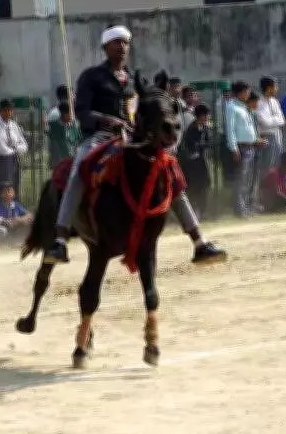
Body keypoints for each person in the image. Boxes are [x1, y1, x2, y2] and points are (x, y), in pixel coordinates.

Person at [44, 25, 225, 265]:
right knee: (79, 169)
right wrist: (108, 119)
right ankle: (60, 240)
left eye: (125, 43)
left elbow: (149, 106)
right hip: (99, 138)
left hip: (133, 139)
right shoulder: (91, 76)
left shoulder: (135, 80)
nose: (121, 47)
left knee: (170, 172)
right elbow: (82, 112)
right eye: (116, 43)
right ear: (105, 47)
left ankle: (199, 241)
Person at [225, 82, 266, 218]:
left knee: (247, 180)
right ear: (241, 93)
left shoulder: (244, 107)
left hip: (250, 147)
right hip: (241, 148)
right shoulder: (231, 106)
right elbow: (230, 130)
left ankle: (246, 207)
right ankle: (239, 210)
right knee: (240, 180)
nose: (248, 95)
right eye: (247, 92)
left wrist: (256, 140)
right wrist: (233, 148)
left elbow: (249, 129)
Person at [179, 103, 213, 219]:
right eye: (207, 115)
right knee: (194, 187)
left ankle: (203, 211)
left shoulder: (205, 128)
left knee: (206, 185)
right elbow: (190, 147)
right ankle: (194, 212)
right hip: (192, 164)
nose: (208, 117)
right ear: (201, 116)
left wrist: (202, 145)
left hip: (202, 161)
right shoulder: (191, 129)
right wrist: (201, 145)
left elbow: (208, 143)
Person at [0, 99, 28, 201]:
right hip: (1, 160)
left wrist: (15, 149)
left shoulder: (14, 125)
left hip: (14, 159)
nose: (8, 113)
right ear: (0, 112)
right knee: (4, 185)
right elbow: (1, 148)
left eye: (10, 110)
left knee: (15, 184)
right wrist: (15, 149)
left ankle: (14, 207)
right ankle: (1, 209)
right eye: (5, 110)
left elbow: (24, 145)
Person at [255, 76, 286, 179]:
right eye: (275, 86)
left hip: (277, 135)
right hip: (266, 136)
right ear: (269, 88)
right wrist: (275, 119)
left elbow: (282, 120)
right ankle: (264, 189)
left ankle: (275, 189)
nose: (277, 89)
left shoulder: (275, 101)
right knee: (267, 164)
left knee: (277, 163)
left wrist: (272, 119)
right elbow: (264, 122)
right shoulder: (259, 103)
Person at [47, 102, 82, 169]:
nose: (73, 115)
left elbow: (79, 139)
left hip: (74, 162)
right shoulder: (57, 127)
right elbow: (50, 131)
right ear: (64, 114)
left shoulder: (74, 125)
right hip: (63, 163)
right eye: (71, 113)